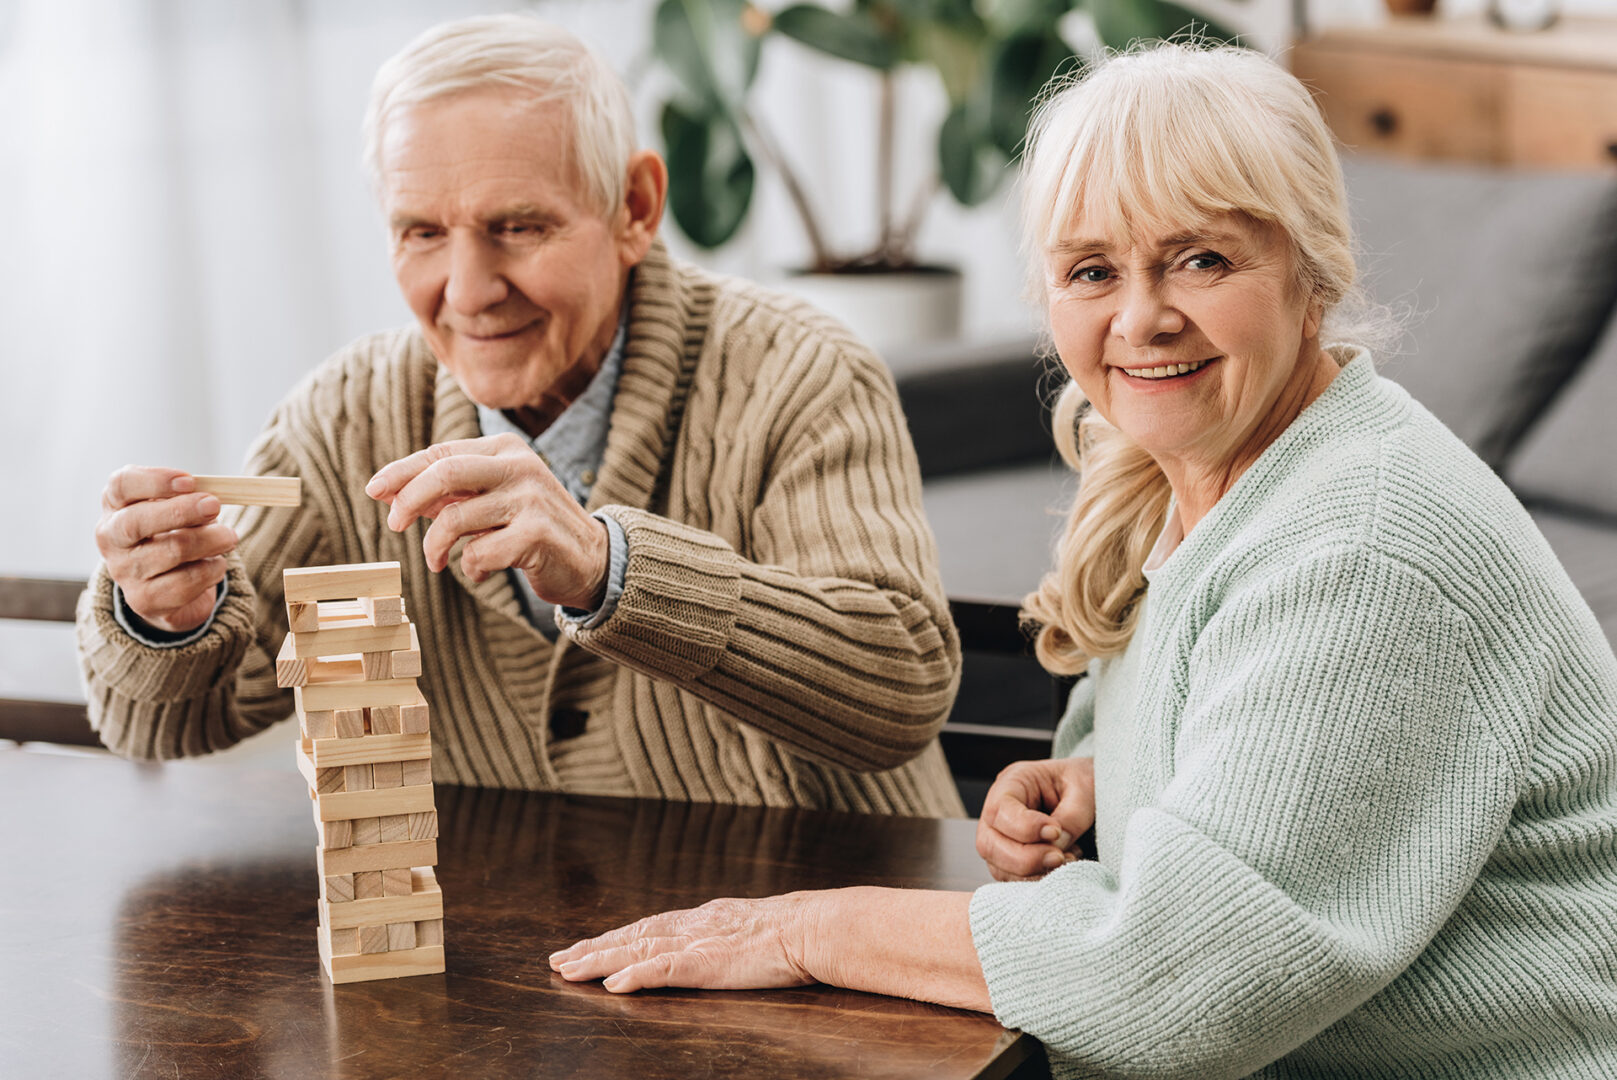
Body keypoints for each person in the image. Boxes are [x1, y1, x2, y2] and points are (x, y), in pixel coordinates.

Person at [548, 43, 1617, 1077]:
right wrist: (1112, 786)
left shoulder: (1365, 549)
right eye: (1093, 270)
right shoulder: (1212, 470)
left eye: (1202, 258)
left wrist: (807, 933)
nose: (1143, 317)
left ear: (1312, 271)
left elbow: (1179, 981)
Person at [76, 14, 965, 818]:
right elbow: (160, 730)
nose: (467, 292)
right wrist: (164, 618)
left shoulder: (799, 371)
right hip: (512, 961)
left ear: (635, 208)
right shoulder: (348, 415)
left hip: (816, 935)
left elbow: (902, 688)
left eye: (518, 226)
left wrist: (608, 571)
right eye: (421, 232)